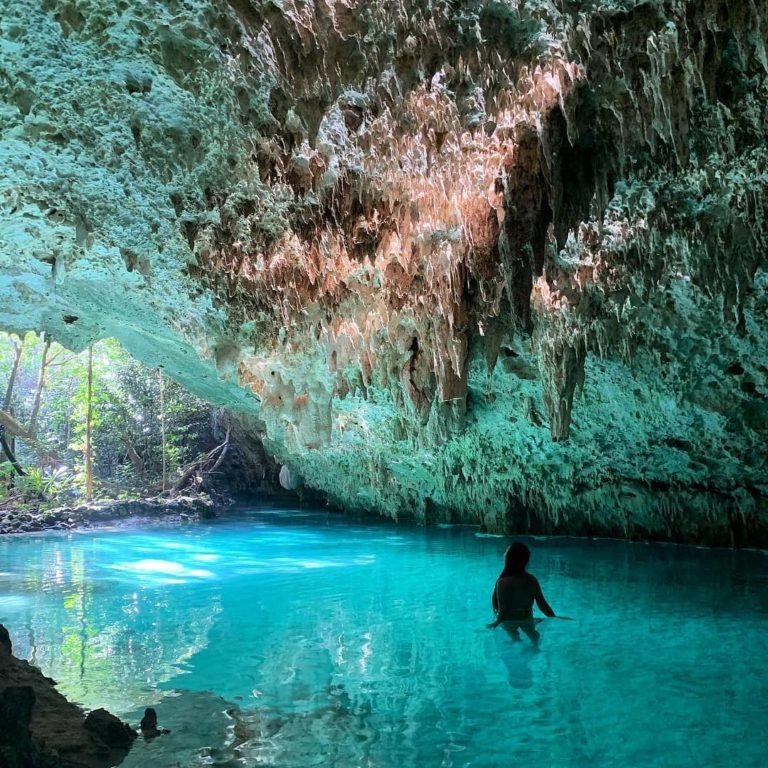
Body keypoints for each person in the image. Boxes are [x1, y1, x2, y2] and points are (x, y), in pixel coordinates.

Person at [488, 542, 556, 643]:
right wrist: (554, 618)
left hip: (509, 621)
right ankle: (534, 648)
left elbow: (503, 611)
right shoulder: (531, 580)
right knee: (534, 636)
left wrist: (496, 623)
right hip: (527, 619)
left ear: (508, 560)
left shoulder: (502, 582)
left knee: (514, 636)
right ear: (526, 561)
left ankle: (516, 640)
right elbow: (542, 604)